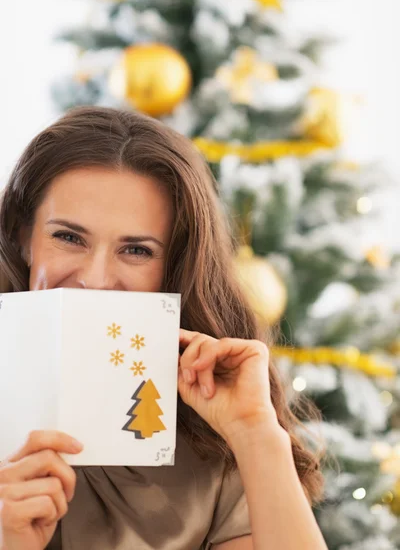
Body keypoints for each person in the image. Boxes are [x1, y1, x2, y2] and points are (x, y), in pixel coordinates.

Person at [0, 106, 327, 550]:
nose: (96, 279)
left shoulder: (212, 435)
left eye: (135, 249)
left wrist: (255, 433)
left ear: (173, 266)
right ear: (23, 237)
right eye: (69, 237)